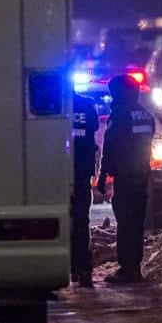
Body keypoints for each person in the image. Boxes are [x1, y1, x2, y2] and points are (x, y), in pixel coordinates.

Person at [100, 74, 154, 283]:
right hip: (141, 175)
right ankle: (135, 268)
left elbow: (110, 145)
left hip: (125, 176)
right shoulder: (145, 115)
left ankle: (126, 269)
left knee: (125, 222)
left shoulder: (120, 114)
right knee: (137, 222)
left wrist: (104, 173)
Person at [70, 93, 99, 287]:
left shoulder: (49, 100)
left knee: (67, 220)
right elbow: (94, 128)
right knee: (81, 220)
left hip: (54, 172)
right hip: (81, 171)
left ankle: (74, 267)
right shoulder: (87, 104)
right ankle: (82, 269)